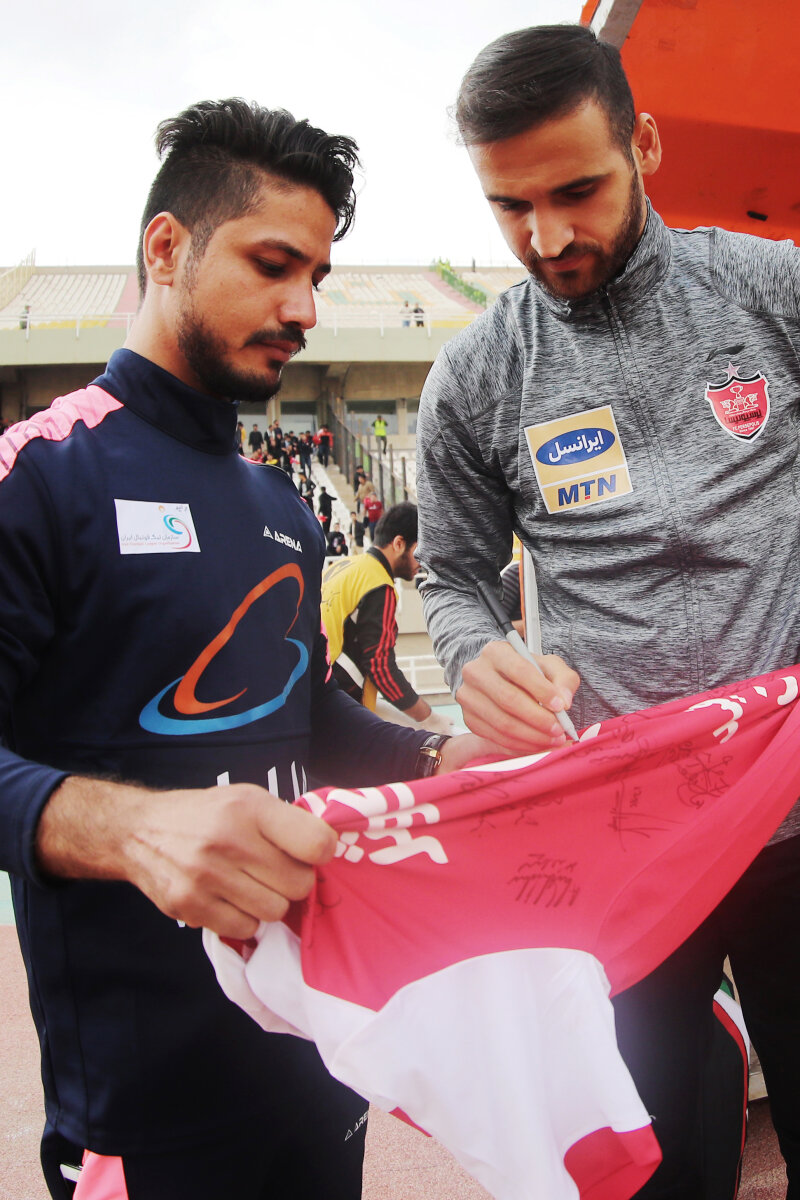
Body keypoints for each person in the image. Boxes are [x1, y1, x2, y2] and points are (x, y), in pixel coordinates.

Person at [0, 97, 495, 1200]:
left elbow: (301, 707)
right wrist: (131, 830)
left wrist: (443, 757)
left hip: (320, 1059)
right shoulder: (39, 478)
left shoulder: (279, 504)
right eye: (274, 265)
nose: (304, 307)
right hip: (147, 1113)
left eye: (317, 275)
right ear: (165, 247)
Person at [416, 24, 800, 1200]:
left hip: (791, 817)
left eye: (575, 191)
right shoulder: (476, 375)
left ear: (644, 145)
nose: (545, 239)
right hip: (624, 843)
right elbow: (450, 578)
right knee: (654, 1168)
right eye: (509, 207)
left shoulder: (772, 292)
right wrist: (474, 654)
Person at [321, 503, 437, 727]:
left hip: (309, 694)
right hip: (333, 709)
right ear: (399, 544)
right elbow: (380, 666)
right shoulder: (378, 584)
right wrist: (429, 717)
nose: (423, 561)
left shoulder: (344, 566)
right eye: (420, 550)